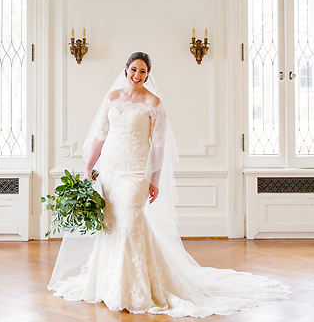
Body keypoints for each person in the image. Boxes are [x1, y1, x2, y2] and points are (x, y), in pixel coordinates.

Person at [47, 52, 290, 317]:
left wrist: (154, 178)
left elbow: (159, 145)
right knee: (113, 225)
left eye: (142, 72)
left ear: (148, 74)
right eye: (133, 70)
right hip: (110, 170)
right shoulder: (113, 98)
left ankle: (137, 288)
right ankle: (109, 284)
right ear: (126, 69)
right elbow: (100, 137)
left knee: (130, 223)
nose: (137, 75)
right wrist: (88, 167)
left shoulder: (154, 102)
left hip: (136, 171)